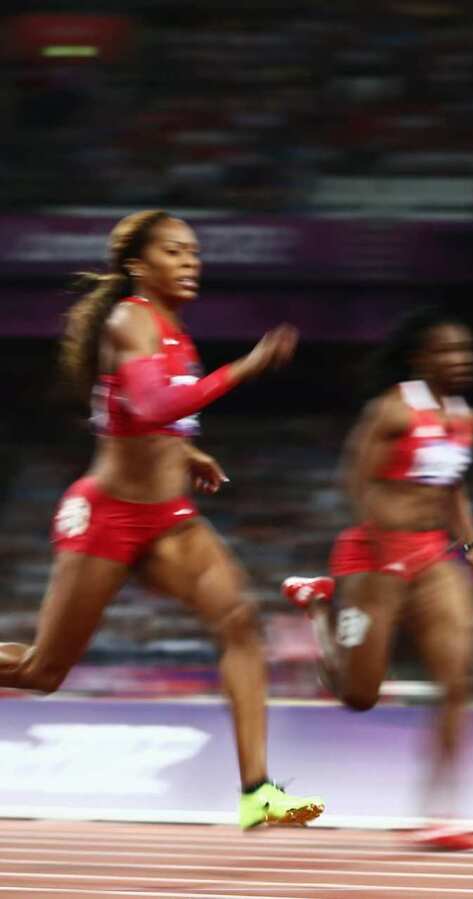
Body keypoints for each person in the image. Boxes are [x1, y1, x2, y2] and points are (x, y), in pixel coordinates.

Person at [0, 209, 324, 829]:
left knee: (240, 619)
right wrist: (244, 370)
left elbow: (140, 415)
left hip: (168, 518)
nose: (190, 261)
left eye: (194, 252)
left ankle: (258, 794)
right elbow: (148, 405)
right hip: (106, 518)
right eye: (174, 252)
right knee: (44, 671)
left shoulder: (176, 333)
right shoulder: (129, 320)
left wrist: (189, 450)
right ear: (137, 266)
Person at [281, 308, 473, 850]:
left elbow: (454, 488)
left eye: (467, 351)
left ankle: (442, 812)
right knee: (359, 695)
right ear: (420, 359)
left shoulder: (466, 418)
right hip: (372, 556)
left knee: (459, 677)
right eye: (448, 351)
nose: (461, 360)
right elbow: (355, 479)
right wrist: (382, 552)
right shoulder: (392, 410)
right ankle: (316, 606)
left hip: (432, 557)